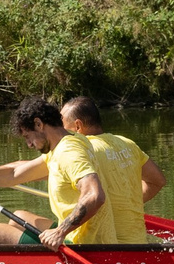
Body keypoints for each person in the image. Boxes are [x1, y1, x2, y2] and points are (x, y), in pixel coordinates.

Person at [0, 96, 106, 246]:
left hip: (85, 244)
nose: (29, 144)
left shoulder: (68, 151)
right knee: (18, 216)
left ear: (39, 124)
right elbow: (13, 174)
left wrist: (60, 231)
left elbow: (94, 195)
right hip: (82, 234)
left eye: (28, 137)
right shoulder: (66, 143)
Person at [61, 95, 161, 244]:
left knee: (19, 218)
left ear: (77, 126)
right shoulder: (127, 143)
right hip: (138, 243)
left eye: (63, 128)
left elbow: (24, 172)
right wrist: (127, 204)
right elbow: (157, 181)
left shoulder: (79, 150)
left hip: (100, 246)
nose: (61, 134)